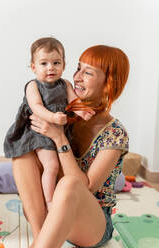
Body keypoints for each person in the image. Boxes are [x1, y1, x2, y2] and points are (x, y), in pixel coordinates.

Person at [12, 44, 129, 248]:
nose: (77, 77)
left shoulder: (115, 133)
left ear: (108, 83)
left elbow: (86, 187)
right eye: (78, 68)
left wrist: (60, 139)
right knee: (23, 154)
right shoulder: (65, 114)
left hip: (92, 224)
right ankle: (41, 237)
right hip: (54, 216)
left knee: (70, 183)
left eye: (88, 72)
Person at [3, 37, 94, 209]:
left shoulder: (65, 84)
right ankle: (49, 201)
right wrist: (52, 118)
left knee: (63, 166)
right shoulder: (33, 86)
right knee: (51, 165)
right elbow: (36, 107)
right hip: (39, 133)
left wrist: (82, 111)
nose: (50, 67)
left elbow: (74, 102)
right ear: (33, 67)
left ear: (64, 65)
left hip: (60, 132)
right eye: (44, 63)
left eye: (56, 62)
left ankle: (59, 196)